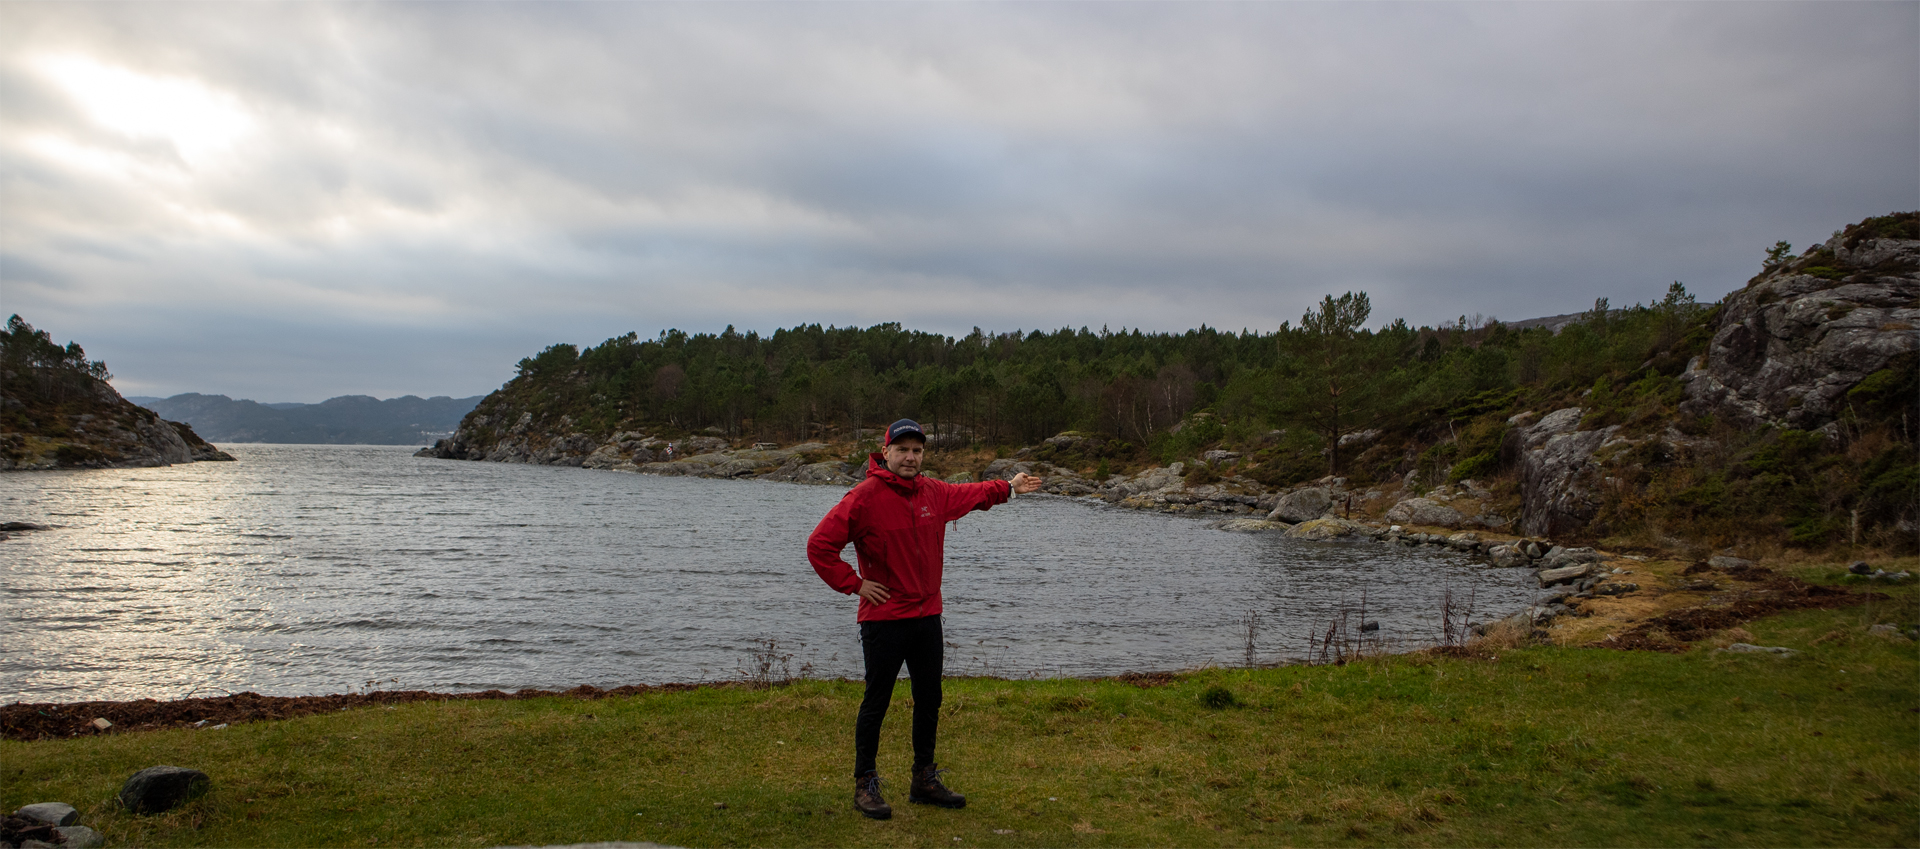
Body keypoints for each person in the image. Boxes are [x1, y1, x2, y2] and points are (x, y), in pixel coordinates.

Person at [807, 418, 1043, 820]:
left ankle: (924, 779)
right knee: (876, 701)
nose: (910, 457)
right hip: (883, 619)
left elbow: (971, 494)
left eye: (917, 450)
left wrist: (1008, 488)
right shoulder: (862, 497)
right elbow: (819, 547)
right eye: (902, 450)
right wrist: (856, 584)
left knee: (929, 699)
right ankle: (865, 783)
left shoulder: (933, 491)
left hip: (927, 616)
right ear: (886, 454)